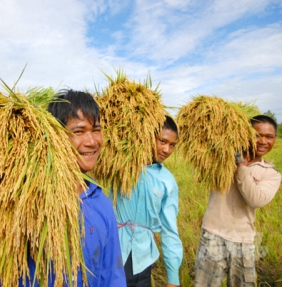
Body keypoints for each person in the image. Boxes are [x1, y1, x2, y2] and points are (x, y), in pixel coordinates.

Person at [22, 89, 126, 287]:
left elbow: (112, 274)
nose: (92, 141)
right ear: (55, 136)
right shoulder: (29, 199)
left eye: (96, 130)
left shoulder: (101, 203)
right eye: (78, 132)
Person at [194, 115, 282, 287]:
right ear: (245, 134)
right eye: (257, 135)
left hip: (244, 240)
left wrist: (241, 166)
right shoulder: (224, 159)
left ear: (275, 139)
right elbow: (204, 143)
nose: (263, 141)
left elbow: (255, 200)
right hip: (212, 235)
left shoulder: (271, 173)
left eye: (269, 137)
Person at [114, 115, 183, 287]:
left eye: (172, 145)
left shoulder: (167, 182)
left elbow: (169, 230)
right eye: (162, 141)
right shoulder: (121, 165)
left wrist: (173, 278)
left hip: (142, 259)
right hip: (114, 252)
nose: (166, 149)